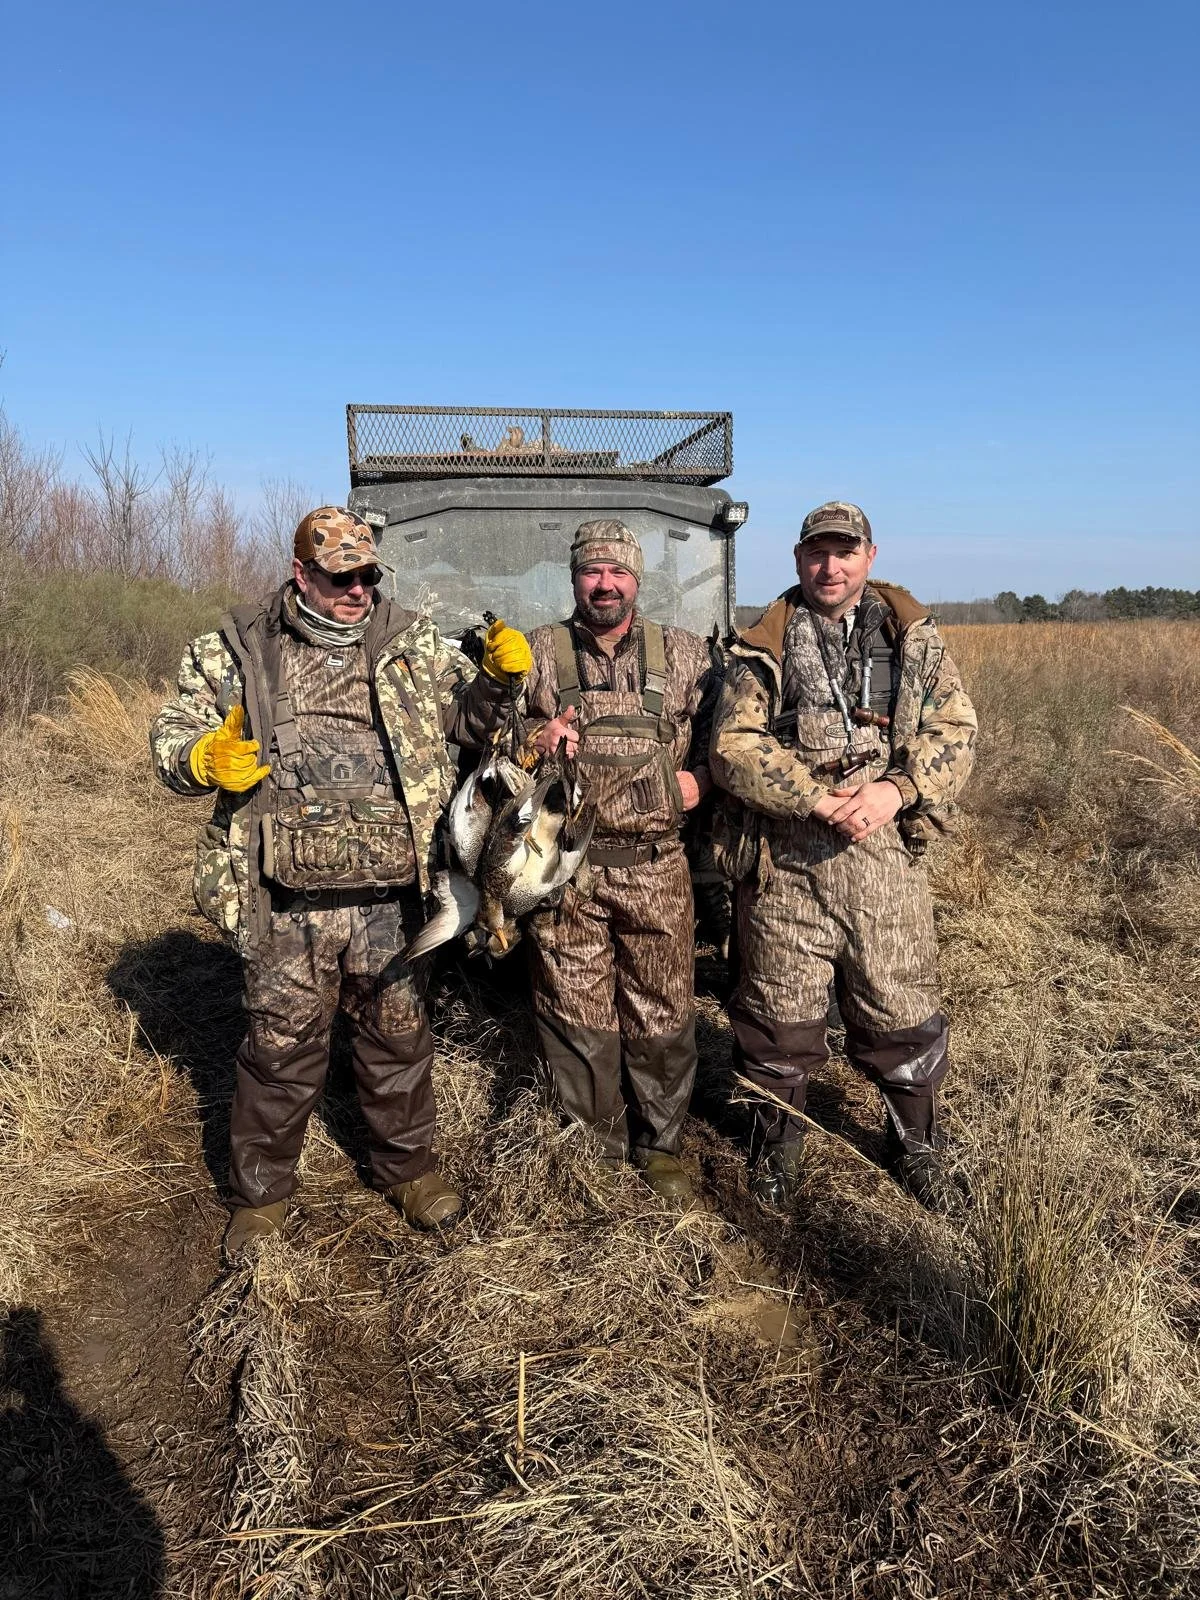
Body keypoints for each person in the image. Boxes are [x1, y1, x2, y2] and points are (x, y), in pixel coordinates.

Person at [151, 506, 531, 1258]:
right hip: (284, 895)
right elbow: (170, 733)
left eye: (368, 575)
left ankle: (408, 1169)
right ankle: (260, 1196)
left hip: (393, 892)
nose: (358, 590)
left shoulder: (411, 641)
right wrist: (201, 757)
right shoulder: (238, 646)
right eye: (341, 577)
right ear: (302, 574)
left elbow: (472, 725)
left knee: (397, 1037)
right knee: (280, 1047)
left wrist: (496, 683)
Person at [709, 501, 976, 1208]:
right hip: (783, 864)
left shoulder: (912, 640)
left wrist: (898, 788)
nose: (831, 566)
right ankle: (778, 1145)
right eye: (817, 553)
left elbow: (957, 731)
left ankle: (915, 1144)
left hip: (882, 858)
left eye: (844, 552)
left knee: (899, 1005)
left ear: (870, 556)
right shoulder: (762, 642)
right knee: (778, 1014)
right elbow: (734, 746)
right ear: (798, 559)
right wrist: (817, 800)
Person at [521, 520, 719, 1206]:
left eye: (617, 573)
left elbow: (736, 738)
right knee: (576, 1014)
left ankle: (659, 1147)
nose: (604, 585)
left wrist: (705, 779)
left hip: (658, 867)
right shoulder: (538, 654)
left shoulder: (691, 656)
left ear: (638, 578)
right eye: (590, 573)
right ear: (574, 578)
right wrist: (531, 736)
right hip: (567, 870)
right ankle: (593, 1154)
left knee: (661, 1009)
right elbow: (477, 732)